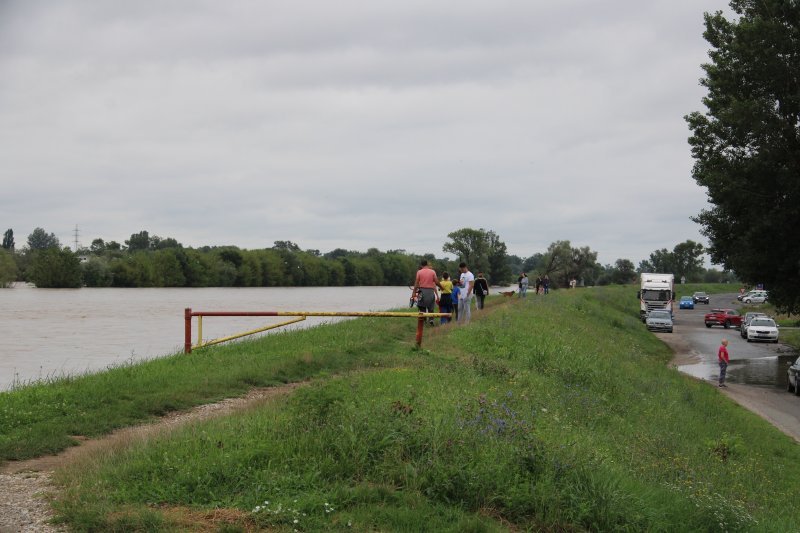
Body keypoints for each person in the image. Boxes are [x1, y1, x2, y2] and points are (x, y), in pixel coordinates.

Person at [412, 260, 440, 326]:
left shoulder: (419, 272)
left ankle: (423, 320)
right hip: (430, 291)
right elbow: (436, 282)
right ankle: (431, 319)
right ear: (427, 264)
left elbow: (416, 283)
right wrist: (441, 287)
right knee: (431, 307)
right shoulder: (433, 272)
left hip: (422, 291)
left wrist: (414, 292)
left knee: (422, 306)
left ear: (421, 265)